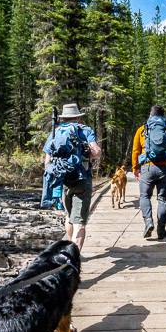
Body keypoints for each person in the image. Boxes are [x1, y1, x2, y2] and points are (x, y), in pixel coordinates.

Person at [43, 103, 101, 249]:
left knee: (69, 217)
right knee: (79, 223)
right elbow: (97, 152)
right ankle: (74, 257)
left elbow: (47, 162)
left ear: (64, 118)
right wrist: (88, 154)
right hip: (82, 179)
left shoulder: (55, 133)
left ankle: (69, 250)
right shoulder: (85, 130)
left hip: (63, 180)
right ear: (78, 118)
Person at [132, 105, 166, 239]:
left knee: (144, 196)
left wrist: (135, 168)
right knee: (162, 199)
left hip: (147, 167)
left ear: (151, 115)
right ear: (163, 115)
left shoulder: (142, 130)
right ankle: (161, 230)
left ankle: (148, 222)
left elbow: (135, 150)